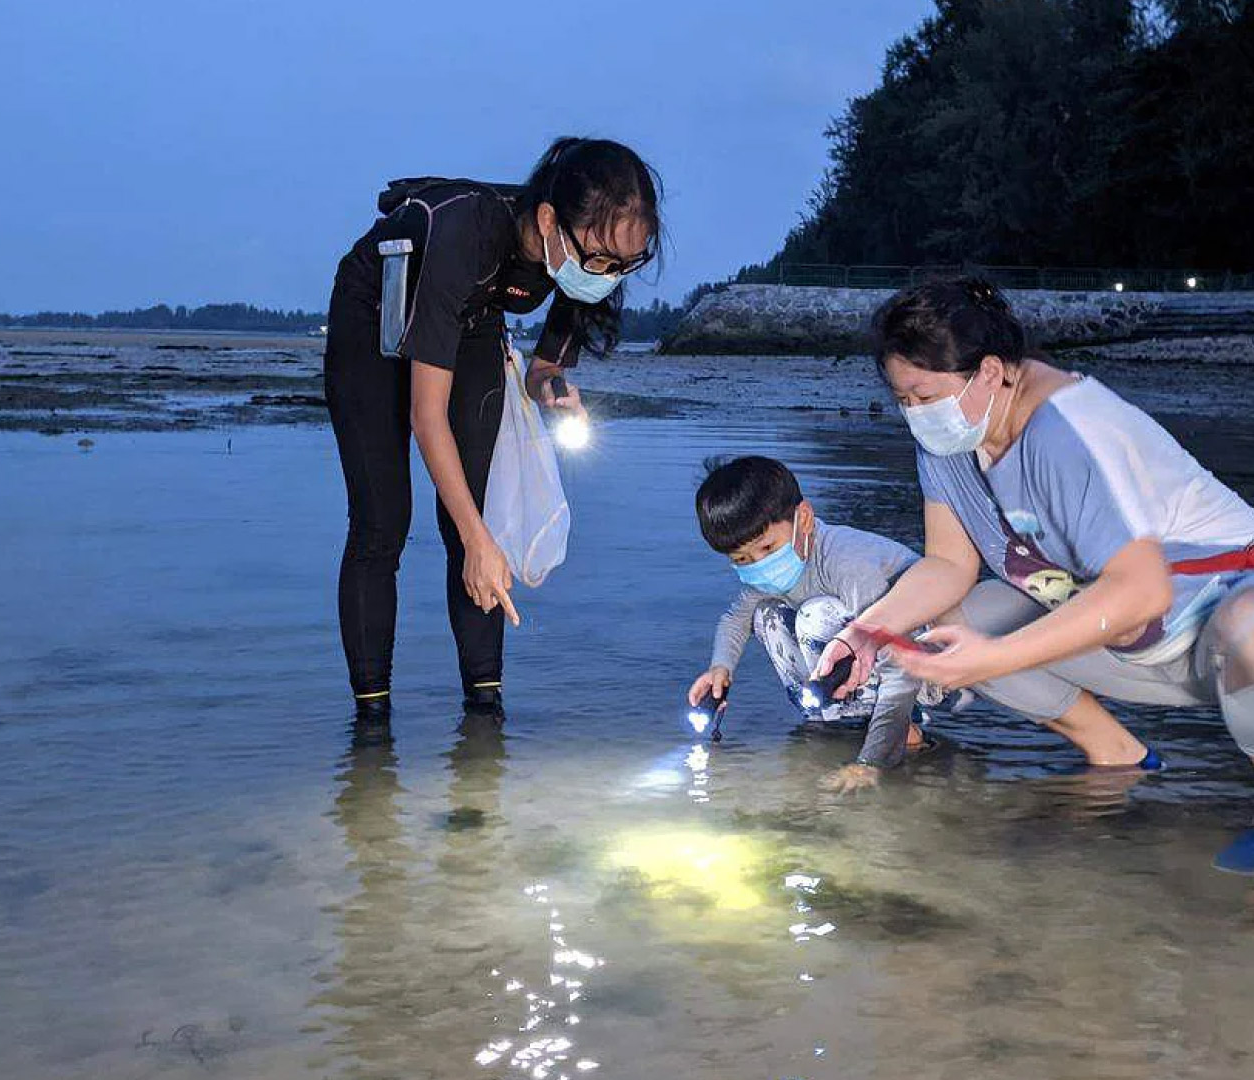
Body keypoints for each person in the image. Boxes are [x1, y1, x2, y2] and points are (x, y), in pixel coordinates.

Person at [812, 278, 1254, 873]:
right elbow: (949, 563)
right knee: (949, 625)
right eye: (904, 400)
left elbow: (1144, 589)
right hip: (1126, 638)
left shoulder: (1065, 432)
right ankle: (1117, 754)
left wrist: (991, 661)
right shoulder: (948, 443)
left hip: (1232, 612)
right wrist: (866, 631)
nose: (917, 416)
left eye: (925, 397)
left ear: (991, 371)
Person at [324, 137, 661, 719]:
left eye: (626, 264)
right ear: (550, 219)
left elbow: (542, 370)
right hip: (370, 315)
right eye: (603, 260)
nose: (609, 276)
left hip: (474, 320)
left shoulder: (588, 257)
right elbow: (427, 419)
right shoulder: (469, 231)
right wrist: (479, 538)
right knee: (383, 524)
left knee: (475, 525)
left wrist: (553, 392)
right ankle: (372, 724)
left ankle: (484, 715)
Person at [688, 456, 933, 793]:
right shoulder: (773, 573)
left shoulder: (846, 560)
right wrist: (720, 667)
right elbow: (736, 618)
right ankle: (828, 717)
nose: (759, 565)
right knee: (766, 615)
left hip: (931, 667)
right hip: (865, 662)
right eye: (741, 560)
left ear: (803, 518)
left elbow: (899, 663)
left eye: (767, 547)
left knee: (814, 615)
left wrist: (871, 763)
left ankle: (906, 729)